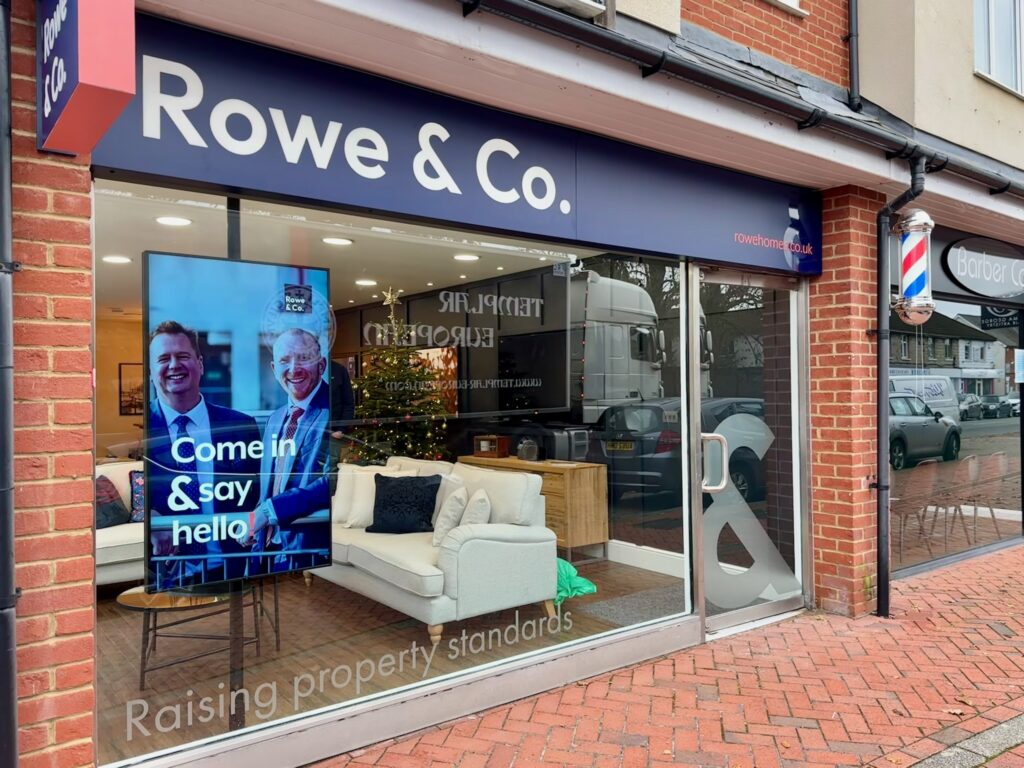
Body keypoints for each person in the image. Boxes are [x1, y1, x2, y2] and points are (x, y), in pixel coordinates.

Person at [147, 320, 262, 589]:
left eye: (183, 356)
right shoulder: (141, 431)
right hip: (165, 573)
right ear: (152, 371)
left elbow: (259, 492)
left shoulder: (241, 426)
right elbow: (133, 500)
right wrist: (150, 518)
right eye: (164, 358)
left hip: (232, 567)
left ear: (199, 364)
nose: (174, 365)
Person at [243, 328, 333, 573]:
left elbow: (334, 480)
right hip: (267, 545)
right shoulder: (276, 418)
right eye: (284, 360)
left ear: (321, 364)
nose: (293, 369)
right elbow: (271, 485)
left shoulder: (336, 412)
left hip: (307, 549)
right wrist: (257, 519)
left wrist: (271, 510)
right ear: (274, 368)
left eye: (303, 358)